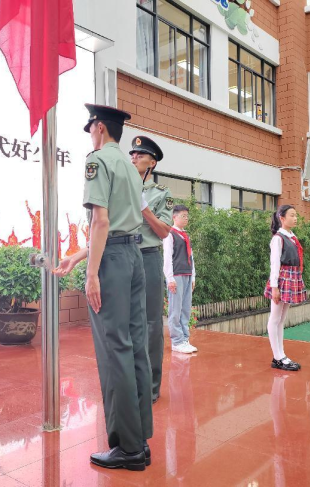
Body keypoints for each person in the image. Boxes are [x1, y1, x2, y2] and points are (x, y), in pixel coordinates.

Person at [54, 104, 153, 471]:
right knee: (133, 347)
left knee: (114, 352)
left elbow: (100, 221)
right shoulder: (129, 165)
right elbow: (116, 226)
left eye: (90, 129)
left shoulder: (97, 161)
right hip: (133, 258)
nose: (90, 134)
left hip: (111, 263)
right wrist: (79, 258)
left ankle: (126, 448)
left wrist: (91, 272)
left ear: (98, 128)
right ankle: (139, 440)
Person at [129, 136, 173, 404]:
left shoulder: (161, 194)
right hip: (124, 256)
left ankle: (151, 386)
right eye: (132, 153)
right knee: (126, 322)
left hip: (148, 256)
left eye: (140, 154)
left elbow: (164, 231)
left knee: (151, 323)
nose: (133, 157)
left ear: (152, 162)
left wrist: (144, 207)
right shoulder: (121, 187)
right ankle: (130, 382)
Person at [263, 204, 306, 371]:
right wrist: (275, 287)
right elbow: (274, 264)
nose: (295, 218)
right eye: (292, 215)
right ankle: (277, 357)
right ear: (282, 218)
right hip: (282, 280)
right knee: (274, 319)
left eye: (296, 215)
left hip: (291, 278)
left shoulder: (291, 237)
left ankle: (281, 355)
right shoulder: (278, 238)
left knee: (281, 320)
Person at [163, 205, 197, 355]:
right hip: (176, 275)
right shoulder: (169, 234)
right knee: (175, 310)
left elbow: (191, 257)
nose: (186, 218)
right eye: (183, 215)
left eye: (187, 216)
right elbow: (167, 258)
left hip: (187, 274)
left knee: (185, 309)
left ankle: (184, 339)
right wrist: (169, 278)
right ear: (174, 217)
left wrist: (193, 276)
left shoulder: (185, 235)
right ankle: (177, 341)